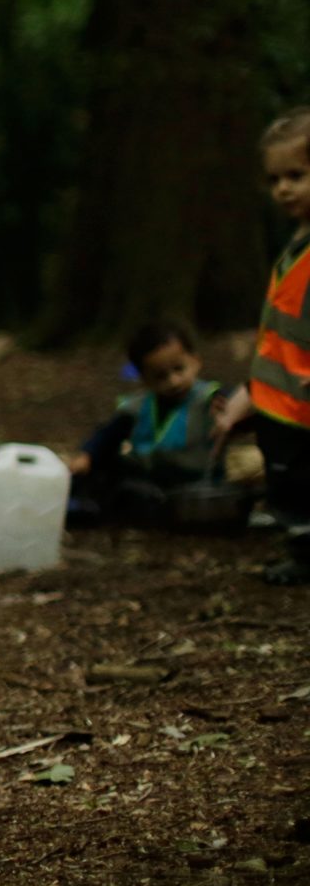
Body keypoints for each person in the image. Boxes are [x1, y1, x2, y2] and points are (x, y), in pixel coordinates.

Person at [212, 109, 310, 585]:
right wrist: (249, 393)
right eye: (275, 180)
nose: (284, 190)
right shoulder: (296, 242)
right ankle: (299, 545)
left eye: (297, 175)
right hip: (278, 402)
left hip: (303, 405)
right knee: (286, 482)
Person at [64, 322, 229, 527]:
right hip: (148, 475)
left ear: (195, 361)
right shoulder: (138, 406)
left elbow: (235, 403)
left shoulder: (209, 399)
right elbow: (109, 435)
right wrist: (87, 455)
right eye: (161, 376)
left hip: (194, 480)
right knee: (101, 470)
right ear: (144, 379)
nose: (173, 381)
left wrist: (226, 407)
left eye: (179, 369)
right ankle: (82, 506)